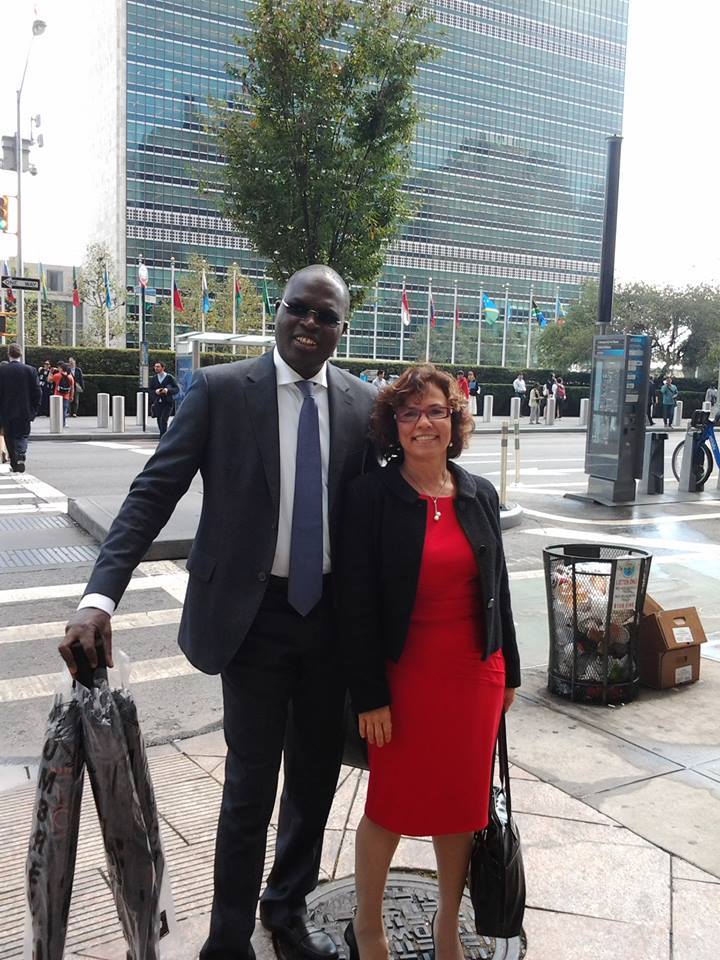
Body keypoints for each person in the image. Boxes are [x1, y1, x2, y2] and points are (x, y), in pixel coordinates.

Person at [60, 265, 377, 960]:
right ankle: (228, 938)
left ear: (341, 329)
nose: (310, 324)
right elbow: (151, 494)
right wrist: (98, 596)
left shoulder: (361, 404)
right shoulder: (223, 391)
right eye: (300, 308)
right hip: (252, 618)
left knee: (316, 782)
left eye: (327, 317)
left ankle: (286, 908)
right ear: (279, 310)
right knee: (249, 789)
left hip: (328, 622)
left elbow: (396, 504)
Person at [339, 364, 519, 960]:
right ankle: (369, 924)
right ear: (394, 426)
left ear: (454, 421)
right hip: (403, 680)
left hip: (474, 676)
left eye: (436, 411)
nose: (424, 423)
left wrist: (509, 671)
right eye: (411, 413)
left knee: (461, 809)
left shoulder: (477, 493)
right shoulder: (371, 498)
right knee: (388, 808)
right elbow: (355, 604)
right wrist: (369, 693)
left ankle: (448, 926)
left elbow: (499, 588)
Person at [0, 344, 42, 473]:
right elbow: (37, 392)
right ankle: (21, 454)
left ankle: (14, 461)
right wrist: (34, 409)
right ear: (21, 354)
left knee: (9, 436)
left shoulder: (2, 370)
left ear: (9, 354)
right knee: (23, 435)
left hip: (6, 410)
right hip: (25, 410)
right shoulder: (30, 370)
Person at [149, 361, 179, 436]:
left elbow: (176, 389)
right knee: (159, 419)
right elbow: (150, 390)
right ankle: (163, 435)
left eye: (158, 366)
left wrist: (167, 390)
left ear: (163, 368)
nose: (156, 368)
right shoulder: (154, 378)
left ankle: (163, 437)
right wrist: (156, 391)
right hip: (158, 402)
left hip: (168, 403)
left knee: (163, 420)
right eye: (155, 366)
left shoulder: (169, 377)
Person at [51, 362, 75, 426]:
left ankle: (56, 423)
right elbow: (72, 388)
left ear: (61, 369)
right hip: (66, 396)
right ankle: (63, 423)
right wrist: (71, 396)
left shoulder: (57, 375)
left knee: (56, 411)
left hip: (57, 395)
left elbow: (49, 380)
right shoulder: (70, 377)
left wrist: (51, 372)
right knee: (64, 411)